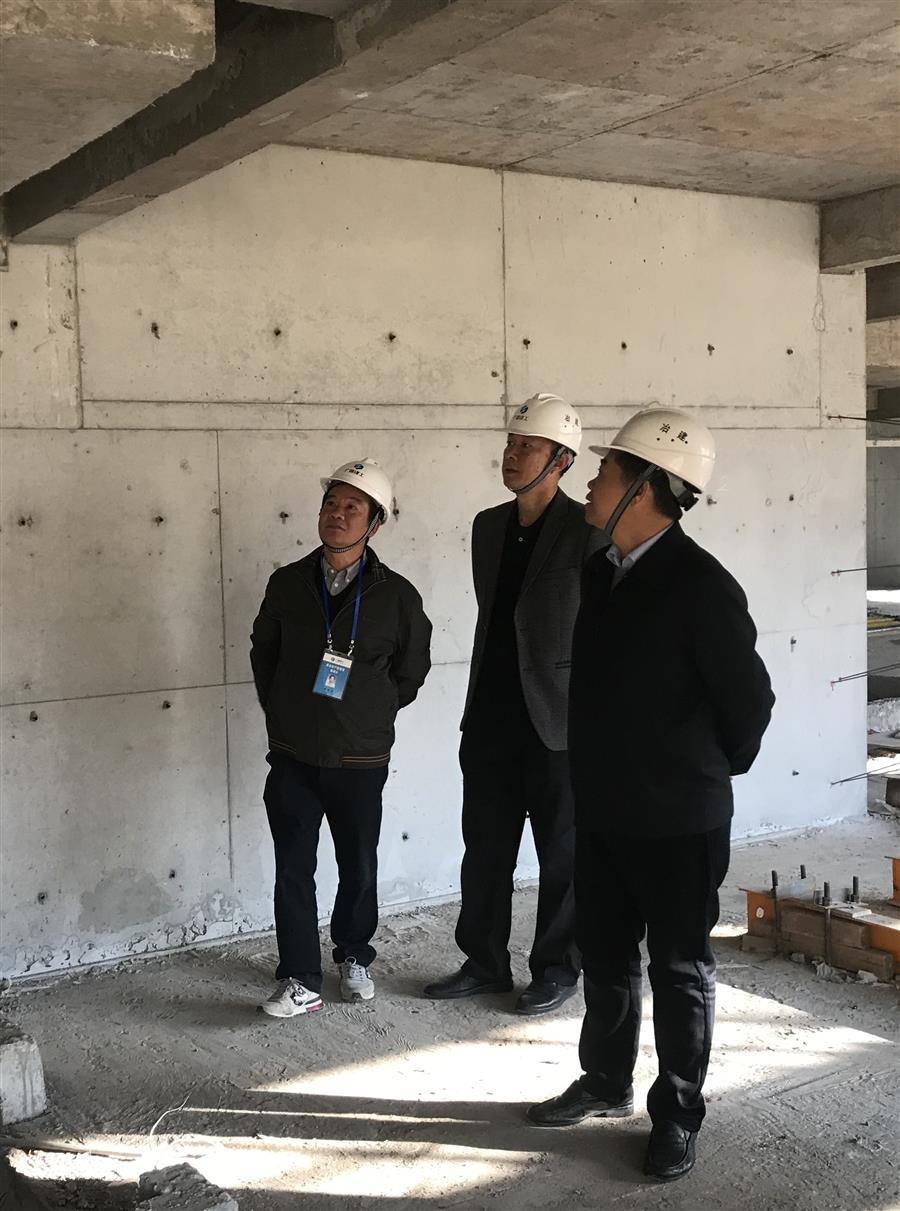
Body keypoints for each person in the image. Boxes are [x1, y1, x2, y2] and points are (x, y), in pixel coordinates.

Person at [527, 407, 774, 1181]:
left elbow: (750, 704)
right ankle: (606, 1080)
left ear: (645, 487)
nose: (592, 480)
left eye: (606, 469)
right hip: (604, 810)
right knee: (604, 955)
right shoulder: (602, 570)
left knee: (678, 969)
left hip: (678, 821)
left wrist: (702, 772)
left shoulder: (702, 586)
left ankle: (677, 1114)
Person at [425, 394, 604, 1015]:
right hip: (490, 716)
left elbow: (602, 627)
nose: (512, 454)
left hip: (557, 720)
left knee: (563, 854)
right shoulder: (487, 527)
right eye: (510, 443)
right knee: (485, 850)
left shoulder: (588, 531)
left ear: (562, 460)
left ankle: (557, 968)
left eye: (528, 446)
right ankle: (484, 962)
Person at [250, 458, 432, 1017]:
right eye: (331, 503)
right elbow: (264, 654)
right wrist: (283, 713)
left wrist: (369, 713)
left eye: (353, 506)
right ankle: (300, 977)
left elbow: (411, 671)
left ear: (374, 523)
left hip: (360, 756)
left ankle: (354, 954)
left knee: (358, 864)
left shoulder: (397, 596)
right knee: (293, 868)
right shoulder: (287, 584)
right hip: (294, 755)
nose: (338, 513)